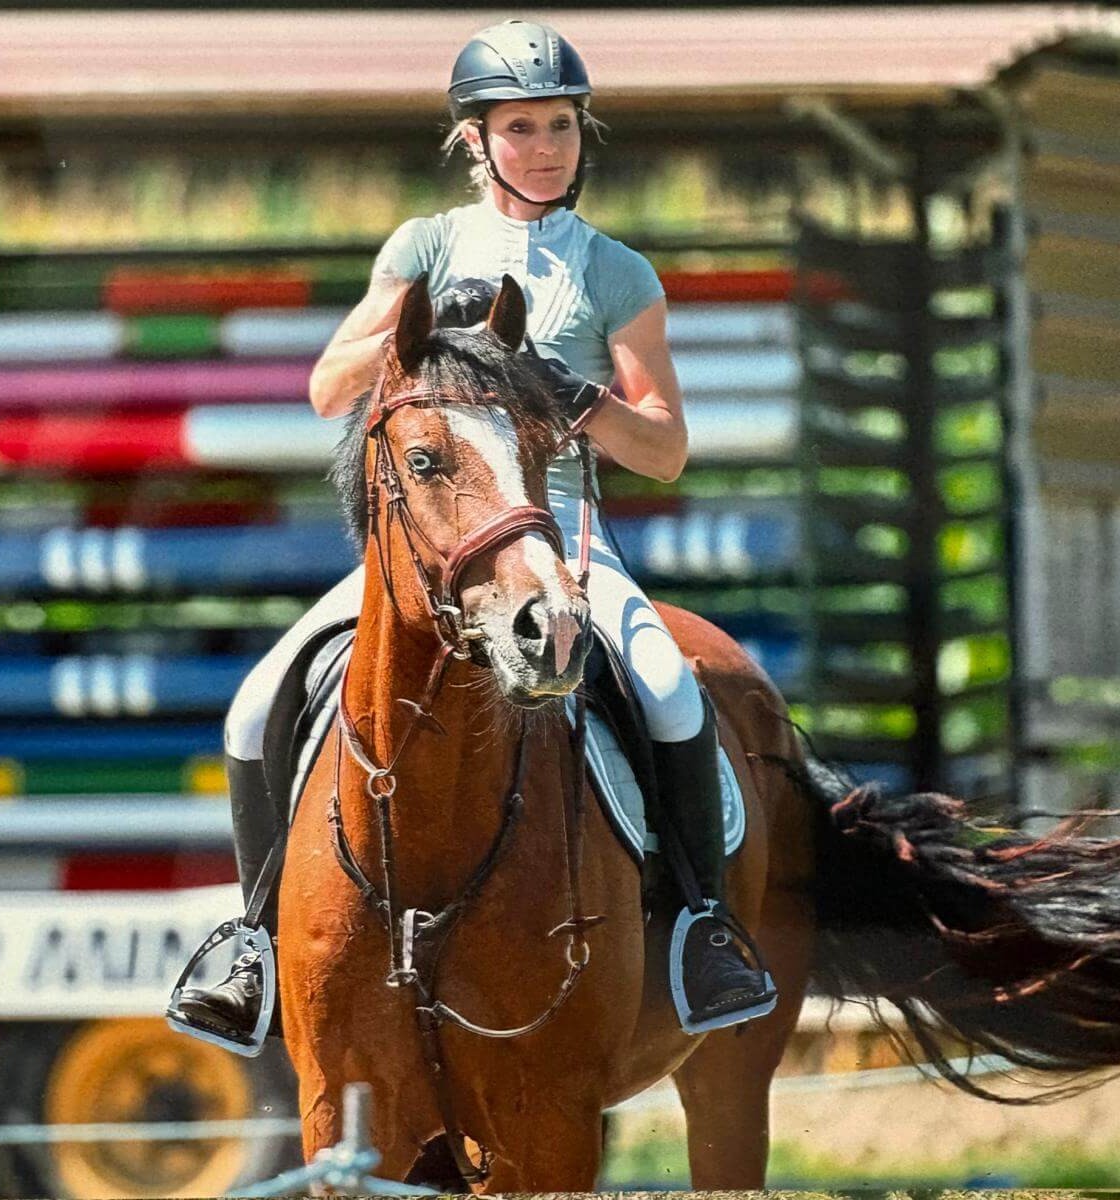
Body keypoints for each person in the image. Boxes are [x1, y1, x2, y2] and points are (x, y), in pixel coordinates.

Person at [173, 18, 775, 1047]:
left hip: (561, 533)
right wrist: (413, 319)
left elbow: (667, 449)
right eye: (521, 127)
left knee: (672, 688)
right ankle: (254, 943)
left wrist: (572, 394)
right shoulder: (423, 243)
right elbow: (327, 390)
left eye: (562, 126)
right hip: (428, 543)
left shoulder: (616, 273)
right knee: (252, 706)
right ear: (474, 139)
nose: (546, 147)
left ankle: (702, 930)